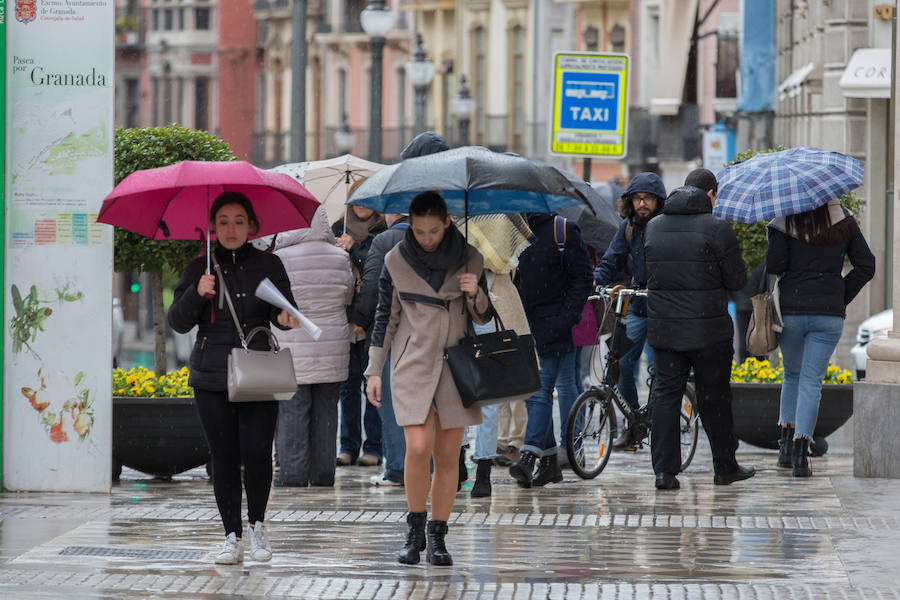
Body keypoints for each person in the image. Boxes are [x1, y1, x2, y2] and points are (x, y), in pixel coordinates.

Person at [168, 191, 301, 564]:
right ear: (212, 226)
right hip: (211, 375)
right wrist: (197, 293)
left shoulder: (269, 264)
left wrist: (286, 319)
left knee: (257, 453)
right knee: (223, 456)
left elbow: (283, 311)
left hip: (258, 371)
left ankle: (258, 527)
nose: (231, 228)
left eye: (239, 221)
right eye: (223, 221)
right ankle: (232, 535)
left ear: (251, 226)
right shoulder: (200, 267)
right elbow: (177, 322)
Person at [365, 191, 492, 566]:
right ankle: (414, 530)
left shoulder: (471, 258)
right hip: (412, 363)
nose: (426, 238)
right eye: (419, 231)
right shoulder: (395, 258)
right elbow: (384, 318)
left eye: (433, 230)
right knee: (418, 447)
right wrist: (374, 369)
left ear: (448, 222)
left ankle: (438, 535)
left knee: (448, 455)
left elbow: (484, 318)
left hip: (457, 367)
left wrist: (475, 293)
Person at [644, 169, 754, 490]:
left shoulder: (654, 227)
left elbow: (645, 274)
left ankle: (664, 472)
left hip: (665, 331)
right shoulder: (718, 229)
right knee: (714, 397)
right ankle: (724, 467)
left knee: (666, 396)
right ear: (711, 194)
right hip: (709, 331)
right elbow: (737, 281)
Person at [353, 131, 451, 487]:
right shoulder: (458, 234)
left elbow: (380, 301)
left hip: (403, 341)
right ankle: (445, 471)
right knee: (439, 410)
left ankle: (400, 469)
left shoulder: (387, 240)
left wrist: (364, 331)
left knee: (400, 408)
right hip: (443, 340)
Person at [766, 199, 874, 477]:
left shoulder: (784, 220)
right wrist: (839, 295)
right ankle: (802, 455)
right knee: (811, 381)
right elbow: (867, 265)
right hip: (828, 314)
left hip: (792, 309)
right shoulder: (844, 220)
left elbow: (775, 265)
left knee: (791, 375)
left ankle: (785, 449)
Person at [272, 206, 355, 487]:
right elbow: (347, 295)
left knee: (293, 411)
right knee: (327, 412)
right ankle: (323, 475)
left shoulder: (280, 257)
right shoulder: (341, 256)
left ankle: (293, 475)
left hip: (292, 346)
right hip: (332, 345)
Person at [509, 212, 592, 488]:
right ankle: (549, 463)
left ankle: (529, 455)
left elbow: (582, 279)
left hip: (554, 326)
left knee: (539, 391)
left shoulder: (563, 229)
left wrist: (565, 319)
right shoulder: (512, 230)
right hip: (522, 326)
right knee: (528, 392)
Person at [592, 172, 666, 448]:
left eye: (647, 198)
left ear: (659, 201)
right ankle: (635, 422)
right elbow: (612, 258)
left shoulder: (666, 225)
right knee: (621, 364)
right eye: (637, 198)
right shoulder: (628, 227)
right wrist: (596, 279)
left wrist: (661, 286)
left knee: (660, 370)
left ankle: (659, 423)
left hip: (661, 307)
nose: (642, 204)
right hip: (636, 305)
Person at [334, 183, 387, 467]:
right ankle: (347, 446)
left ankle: (374, 447)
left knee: (372, 384)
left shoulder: (381, 232)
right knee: (348, 385)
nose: (361, 205)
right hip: (343, 316)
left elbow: (375, 269)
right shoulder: (336, 228)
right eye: (357, 199)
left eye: (368, 199)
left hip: (370, 317)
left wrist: (354, 250)